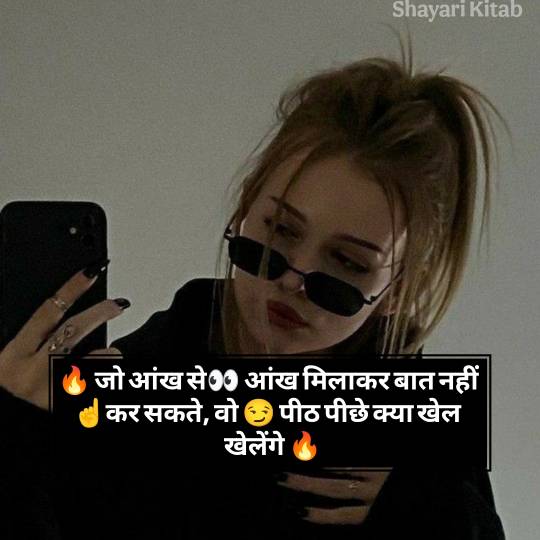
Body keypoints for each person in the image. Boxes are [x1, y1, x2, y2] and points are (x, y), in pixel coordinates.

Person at [0, 36, 507, 539]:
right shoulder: (133, 387)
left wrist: (433, 514)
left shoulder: (421, 439)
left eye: (347, 263)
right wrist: (18, 439)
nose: (291, 279)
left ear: (400, 288)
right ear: (245, 208)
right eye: (280, 230)